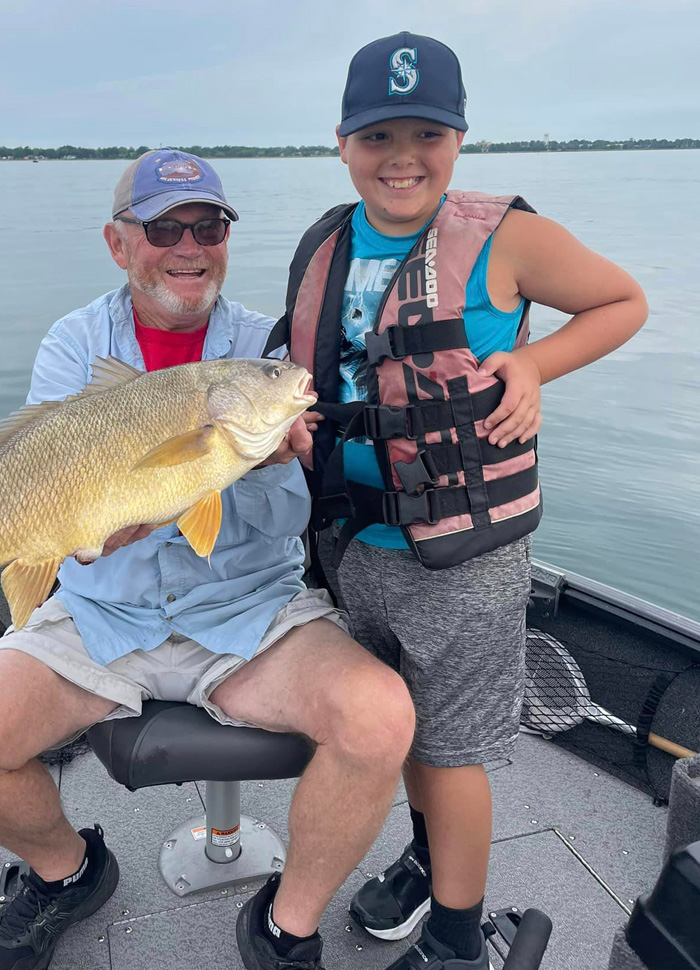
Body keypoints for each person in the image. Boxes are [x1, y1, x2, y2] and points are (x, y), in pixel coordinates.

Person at [0, 148, 416, 970]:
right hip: (102, 610)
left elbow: (292, 519)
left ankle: (286, 928)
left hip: (246, 612)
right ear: (119, 244)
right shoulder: (75, 343)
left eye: (208, 225)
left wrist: (275, 464)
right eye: (164, 228)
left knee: (383, 715)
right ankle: (67, 873)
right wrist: (90, 526)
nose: (189, 245)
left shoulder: (264, 346)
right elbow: (42, 476)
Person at [268, 32, 648, 970]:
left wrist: (532, 360)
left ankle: (453, 940)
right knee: (400, 728)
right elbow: (313, 366)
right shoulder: (327, 240)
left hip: (465, 561)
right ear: (342, 143)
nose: (402, 156)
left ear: (461, 136)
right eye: (378, 135)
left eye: (426, 132)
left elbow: (621, 301)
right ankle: (430, 856)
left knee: (451, 748)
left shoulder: (508, 235)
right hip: (356, 550)